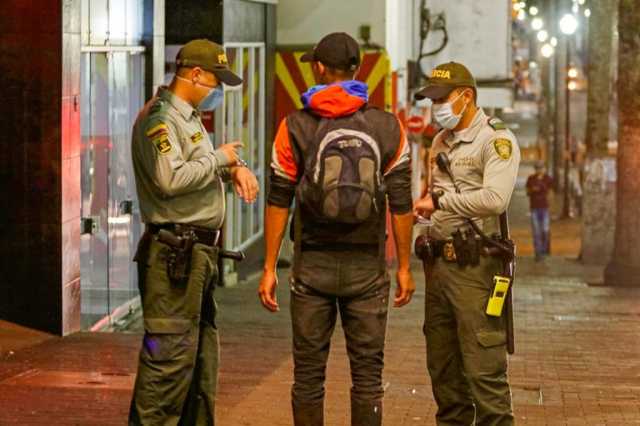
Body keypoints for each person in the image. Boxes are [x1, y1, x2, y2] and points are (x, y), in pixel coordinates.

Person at [258, 32, 415, 426]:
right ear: (357, 70)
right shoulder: (388, 127)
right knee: (368, 377)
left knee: (309, 376)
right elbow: (401, 203)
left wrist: (269, 267)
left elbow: (279, 199)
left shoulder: (295, 126)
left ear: (318, 68)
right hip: (368, 269)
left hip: (311, 267)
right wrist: (404, 267)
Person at [128, 39, 259, 425]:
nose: (217, 90)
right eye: (216, 82)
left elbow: (195, 167)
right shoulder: (160, 120)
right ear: (196, 74)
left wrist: (232, 169)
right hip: (173, 257)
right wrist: (220, 158)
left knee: (198, 361)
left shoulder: (188, 118)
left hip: (194, 257)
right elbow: (170, 178)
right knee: (167, 362)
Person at [413, 61, 520, 425]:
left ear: (466, 96)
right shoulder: (440, 141)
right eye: (432, 100)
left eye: (441, 99)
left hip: (476, 271)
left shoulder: (496, 139)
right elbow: (436, 202)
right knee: (443, 374)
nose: (435, 107)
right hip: (439, 269)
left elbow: (495, 199)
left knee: (484, 374)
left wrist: (440, 203)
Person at [526, 160, 553, 261]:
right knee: (536, 231)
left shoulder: (548, 179)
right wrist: (533, 190)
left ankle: (544, 249)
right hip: (534, 208)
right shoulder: (531, 179)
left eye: (541, 168)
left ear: (544, 169)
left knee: (545, 230)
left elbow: (551, 192)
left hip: (545, 208)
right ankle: (538, 252)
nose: (540, 170)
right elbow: (527, 191)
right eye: (537, 168)